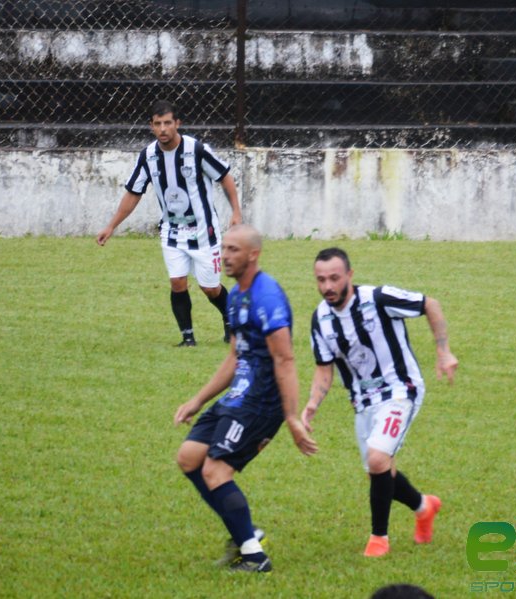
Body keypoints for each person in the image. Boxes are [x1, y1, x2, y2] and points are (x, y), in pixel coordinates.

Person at [174, 224, 317, 573]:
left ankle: (254, 555)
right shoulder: (236, 294)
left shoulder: (267, 297)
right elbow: (235, 357)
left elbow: (285, 360)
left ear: (253, 254)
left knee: (216, 471)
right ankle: (246, 532)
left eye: (234, 249)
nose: (225, 256)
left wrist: (292, 417)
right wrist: (198, 399)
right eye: (224, 248)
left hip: (262, 404)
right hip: (238, 397)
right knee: (189, 458)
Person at [301, 248, 458, 557]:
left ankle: (378, 539)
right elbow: (324, 368)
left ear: (350, 275)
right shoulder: (320, 319)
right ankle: (424, 507)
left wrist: (444, 351)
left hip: (401, 389)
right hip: (363, 401)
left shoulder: (378, 298)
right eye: (321, 280)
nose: (328, 286)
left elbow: (430, 304)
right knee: (381, 470)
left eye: (334, 278)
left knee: (377, 459)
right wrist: (312, 404)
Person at [96, 100, 242, 346]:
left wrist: (236, 211)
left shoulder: (196, 150)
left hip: (204, 231)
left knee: (210, 288)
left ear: (177, 124)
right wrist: (111, 226)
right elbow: (134, 192)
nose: (162, 129)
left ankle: (230, 321)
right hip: (172, 231)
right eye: (157, 124)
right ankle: (188, 338)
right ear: (151, 126)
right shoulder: (149, 156)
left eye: (167, 123)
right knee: (177, 282)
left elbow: (224, 176)